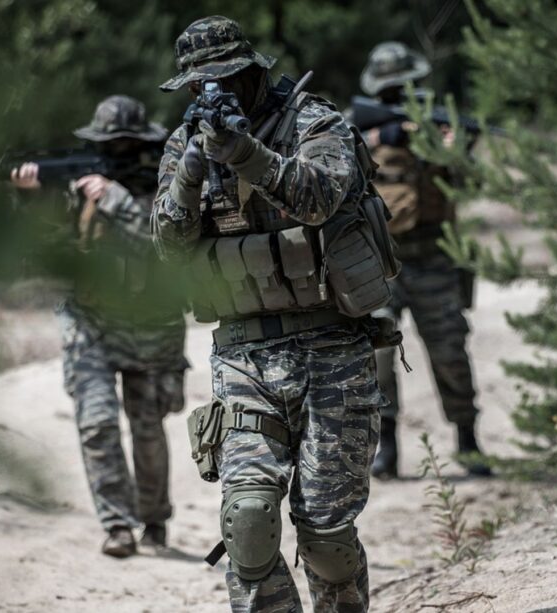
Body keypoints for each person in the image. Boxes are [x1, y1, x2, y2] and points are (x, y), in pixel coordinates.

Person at [152, 16, 390, 613]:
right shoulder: (187, 144)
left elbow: (319, 198)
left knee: (327, 533)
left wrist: (247, 154)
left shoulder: (314, 122)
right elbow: (167, 242)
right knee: (250, 521)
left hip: (333, 350)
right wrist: (192, 170)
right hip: (243, 358)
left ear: (254, 72)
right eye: (198, 86)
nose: (213, 95)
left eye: (226, 82)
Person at [10, 95, 188, 558]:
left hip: (151, 325)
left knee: (148, 428)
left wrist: (116, 198)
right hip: (89, 321)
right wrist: (30, 198)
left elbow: (164, 245)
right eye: (112, 145)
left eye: (128, 145)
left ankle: (153, 520)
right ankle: (118, 525)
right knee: (97, 423)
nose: (120, 153)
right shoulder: (80, 187)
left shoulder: (172, 186)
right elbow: (47, 244)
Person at [357, 41, 491, 479]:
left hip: (436, 257)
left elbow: (473, 182)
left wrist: (450, 148)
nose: (400, 95)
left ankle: (468, 441)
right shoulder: (357, 129)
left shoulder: (439, 126)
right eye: (392, 90)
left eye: (406, 87)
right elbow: (337, 160)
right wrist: (386, 137)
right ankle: (388, 446)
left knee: (450, 351)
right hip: (381, 262)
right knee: (377, 354)